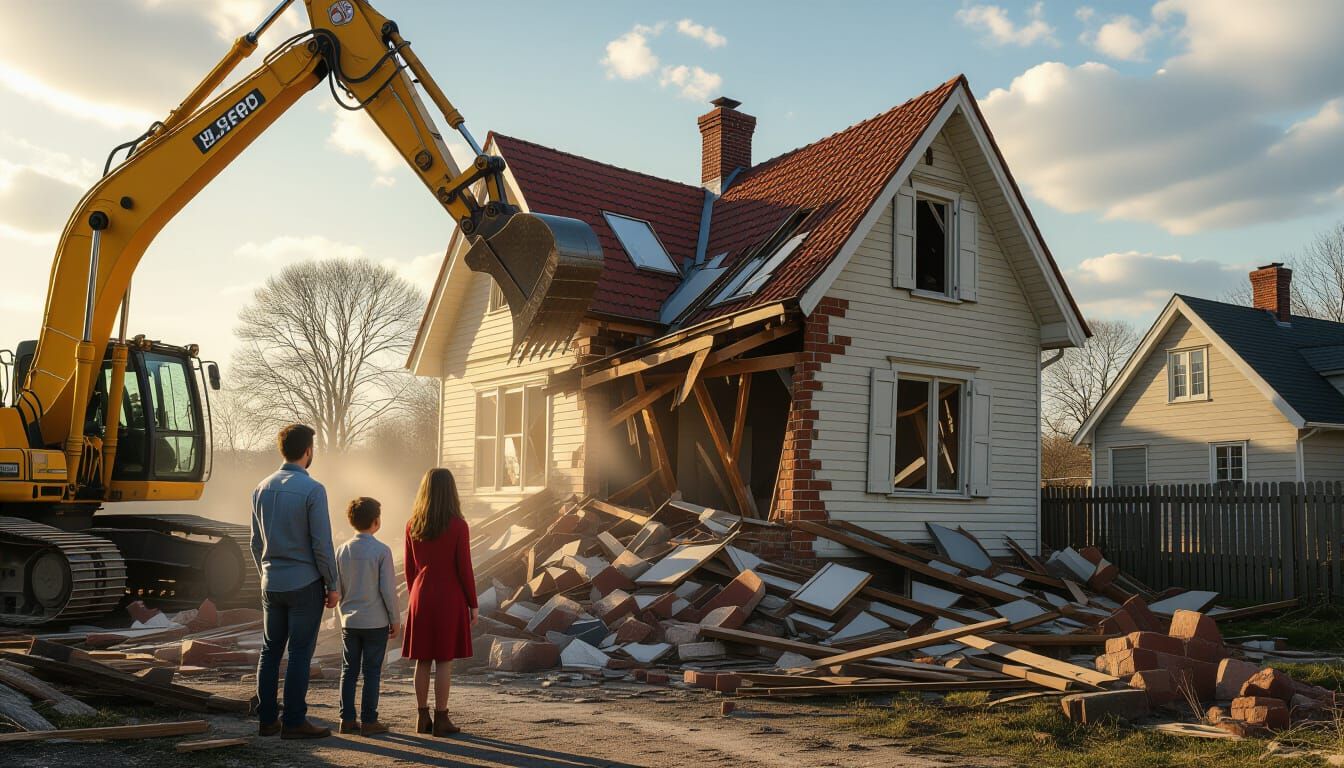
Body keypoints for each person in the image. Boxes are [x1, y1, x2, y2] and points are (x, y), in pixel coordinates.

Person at [249, 424, 339, 739]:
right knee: (300, 652)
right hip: (304, 584)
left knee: (270, 650)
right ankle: (295, 721)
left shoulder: (261, 488)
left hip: (271, 583)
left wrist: (266, 577)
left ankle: (267, 719)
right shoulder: (313, 490)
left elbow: (255, 544)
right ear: (308, 451)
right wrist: (333, 584)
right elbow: (322, 545)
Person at [402, 468, 477, 737]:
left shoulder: (413, 524)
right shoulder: (458, 525)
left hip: (420, 595)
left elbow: (409, 569)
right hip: (449, 596)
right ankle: (442, 717)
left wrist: (415, 597)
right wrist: (473, 602)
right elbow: (464, 568)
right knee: (444, 660)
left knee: (423, 659)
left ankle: (422, 717)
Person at [335, 496, 400, 736]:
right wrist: (395, 618)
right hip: (375, 622)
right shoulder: (382, 551)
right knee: (372, 671)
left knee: (348, 670)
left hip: (350, 621)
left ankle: (347, 720)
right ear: (376, 521)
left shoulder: (342, 550)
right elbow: (387, 590)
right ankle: (369, 720)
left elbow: (337, 587)